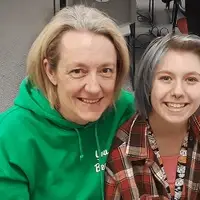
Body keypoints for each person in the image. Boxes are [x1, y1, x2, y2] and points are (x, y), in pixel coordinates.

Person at [0, 5, 135, 200]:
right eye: (78, 71)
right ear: (50, 71)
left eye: (106, 70)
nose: (94, 88)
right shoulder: (9, 138)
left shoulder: (124, 109)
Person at [105, 34, 200, 200]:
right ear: (148, 84)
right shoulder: (121, 151)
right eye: (165, 78)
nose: (178, 91)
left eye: (191, 79)